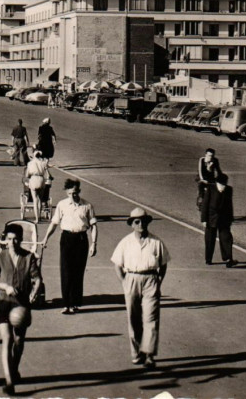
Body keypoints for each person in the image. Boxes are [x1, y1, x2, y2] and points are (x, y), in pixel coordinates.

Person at [0, 223, 41, 396]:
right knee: (7, 339)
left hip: (22, 304)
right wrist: (4, 286)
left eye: (16, 239)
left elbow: (38, 279)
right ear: (5, 240)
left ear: (21, 239)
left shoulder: (29, 257)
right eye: (9, 239)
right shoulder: (0, 257)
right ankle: (9, 381)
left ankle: (14, 369)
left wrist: (34, 292)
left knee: (19, 341)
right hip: (4, 302)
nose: (12, 242)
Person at [111, 208, 170, 368]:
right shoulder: (126, 242)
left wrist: (158, 280)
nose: (140, 224)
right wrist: (124, 281)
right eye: (137, 222)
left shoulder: (156, 242)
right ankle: (137, 353)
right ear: (132, 224)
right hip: (131, 279)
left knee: (151, 318)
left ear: (147, 222)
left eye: (143, 221)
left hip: (151, 279)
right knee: (134, 318)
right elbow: (117, 264)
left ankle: (149, 354)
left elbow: (163, 264)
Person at [42, 178, 98, 314]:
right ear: (66, 193)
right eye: (69, 193)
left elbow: (94, 226)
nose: (72, 196)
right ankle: (66, 304)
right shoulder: (62, 205)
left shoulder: (87, 206)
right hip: (67, 239)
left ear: (79, 191)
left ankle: (75, 303)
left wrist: (93, 244)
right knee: (66, 271)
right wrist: (45, 238)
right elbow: (54, 223)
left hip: (81, 239)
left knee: (78, 272)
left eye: (75, 193)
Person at [200, 173, 237, 267]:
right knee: (209, 239)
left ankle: (228, 259)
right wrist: (204, 219)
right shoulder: (210, 189)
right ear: (217, 183)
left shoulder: (229, 190)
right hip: (210, 219)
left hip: (224, 219)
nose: (223, 187)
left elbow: (229, 205)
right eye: (222, 185)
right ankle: (208, 259)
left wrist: (230, 218)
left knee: (227, 238)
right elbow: (205, 205)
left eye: (225, 185)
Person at [25, 150, 52, 224]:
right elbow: (47, 174)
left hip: (33, 179)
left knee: (35, 200)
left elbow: (27, 175)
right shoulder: (43, 163)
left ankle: (36, 218)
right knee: (40, 199)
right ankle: (39, 217)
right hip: (41, 180)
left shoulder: (30, 163)